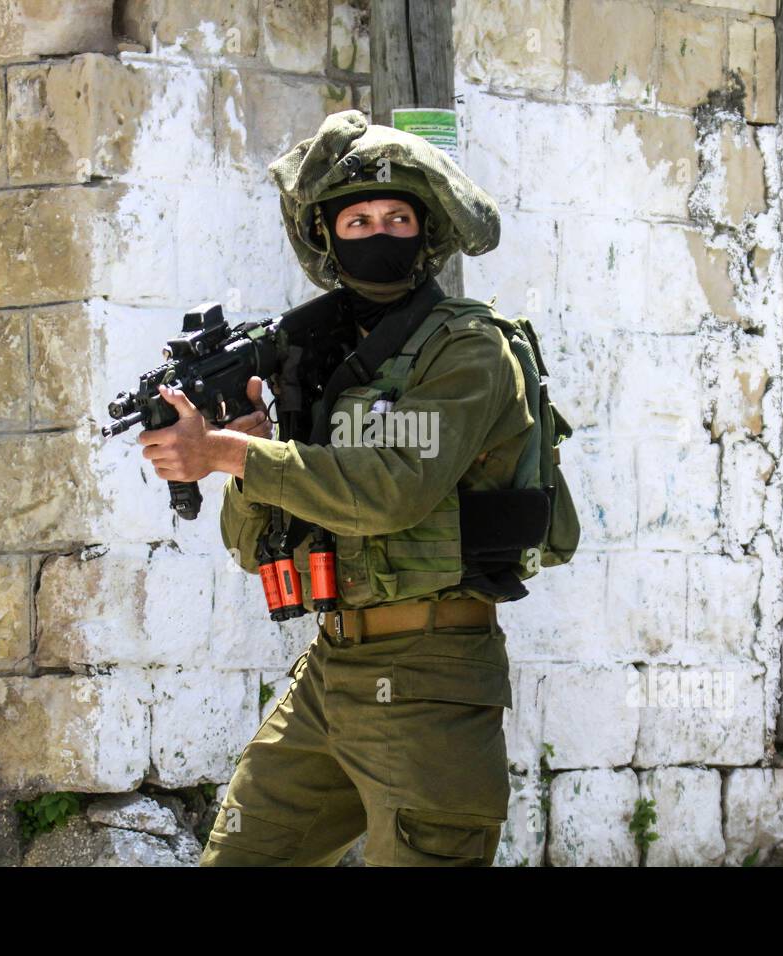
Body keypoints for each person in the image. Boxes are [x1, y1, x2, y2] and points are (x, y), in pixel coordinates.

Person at [138, 109, 544, 865]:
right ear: (327, 238)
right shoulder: (322, 361)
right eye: (357, 220)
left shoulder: (469, 349)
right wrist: (253, 447)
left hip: (430, 679)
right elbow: (249, 546)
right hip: (332, 669)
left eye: (397, 216)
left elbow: (392, 489)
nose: (379, 231)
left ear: (426, 233)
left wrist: (228, 453)